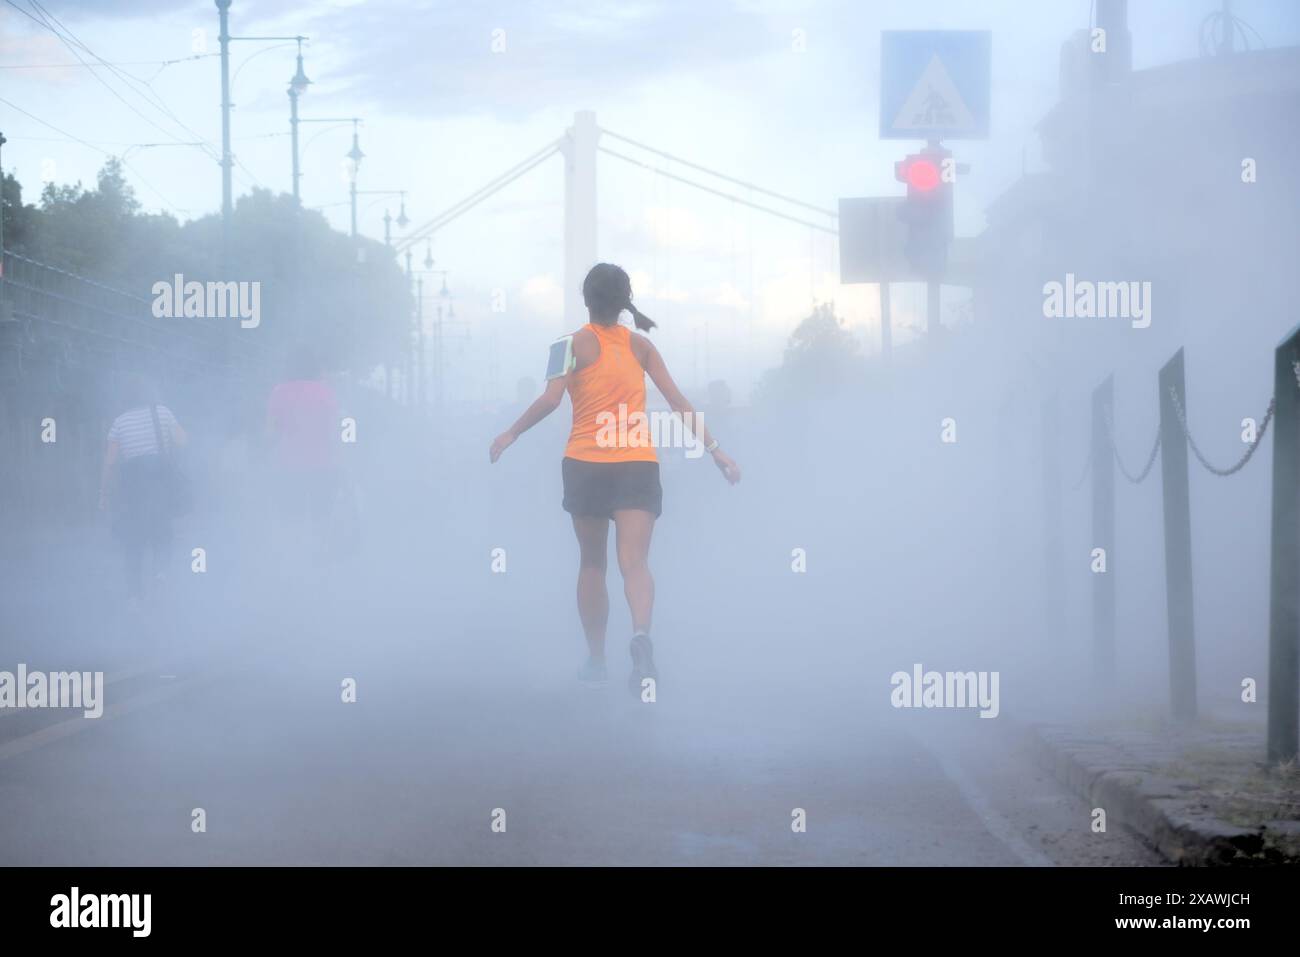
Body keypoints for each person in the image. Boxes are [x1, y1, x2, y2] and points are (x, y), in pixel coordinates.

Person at [490, 263, 741, 692]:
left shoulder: (566, 345)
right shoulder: (642, 347)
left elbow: (551, 400)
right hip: (636, 464)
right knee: (635, 563)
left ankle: (596, 658)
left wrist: (511, 432)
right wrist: (717, 452)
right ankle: (641, 635)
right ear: (625, 303)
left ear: (585, 300)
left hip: (586, 463)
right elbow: (679, 402)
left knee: (592, 563)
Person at [99, 375, 187, 605]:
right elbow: (183, 441)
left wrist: (104, 494)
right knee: (163, 530)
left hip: (132, 489)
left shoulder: (118, 424)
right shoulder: (162, 413)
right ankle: (160, 573)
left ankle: (134, 596)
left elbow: (109, 463)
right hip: (159, 482)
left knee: (133, 539)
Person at [266, 344, 342, 557]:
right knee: (321, 520)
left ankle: (294, 566)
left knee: (292, 520)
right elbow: (335, 433)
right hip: (324, 466)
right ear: (316, 365)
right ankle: (318, 564)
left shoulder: (278, 392)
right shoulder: (326, 393)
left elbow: (270, 434)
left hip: (288, 466)